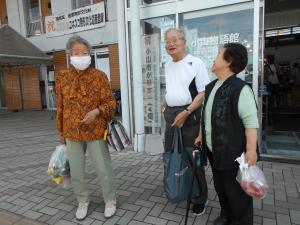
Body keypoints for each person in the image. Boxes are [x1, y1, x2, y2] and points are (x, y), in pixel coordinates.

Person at [195, 43, 259, 225]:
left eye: (218, 55)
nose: (214, 59)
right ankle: (227, 215)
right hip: (214, 150)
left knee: (237, 192)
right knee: (221, 187)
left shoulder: (240, 88)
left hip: (234, 154)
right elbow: (205, 115)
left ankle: (241, 221)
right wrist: (200, 135)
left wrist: (251, 151)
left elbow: (251, 123)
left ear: (229, 61)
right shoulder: (211, 86)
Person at [56, 35, 117, 220]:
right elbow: (61, 105)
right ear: (70, 55)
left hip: (96, 130)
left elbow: (110, 102)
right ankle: (82, 202)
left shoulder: (99, 76)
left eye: (84, 52)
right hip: (72, 131)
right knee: (76, 171)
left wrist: (96, 112)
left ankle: (110, 200)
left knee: (103, 169)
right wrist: (61, 131)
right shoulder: (63, 77)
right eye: (76, 53)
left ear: (90, 54)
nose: (80, 56)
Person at [162, 28, 210, 215]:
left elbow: (202, 93)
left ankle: (200, 197)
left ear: (184, 42)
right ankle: (179, 186)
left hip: (190, 116)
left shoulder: (195, 63)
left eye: (174, 39)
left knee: (193, 158)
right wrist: (166, 100)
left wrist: (187, 112)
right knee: (172, 155)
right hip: (171, 117)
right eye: (167, 41)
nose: (170, 44)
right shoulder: (167, 65)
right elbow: (175, 87)